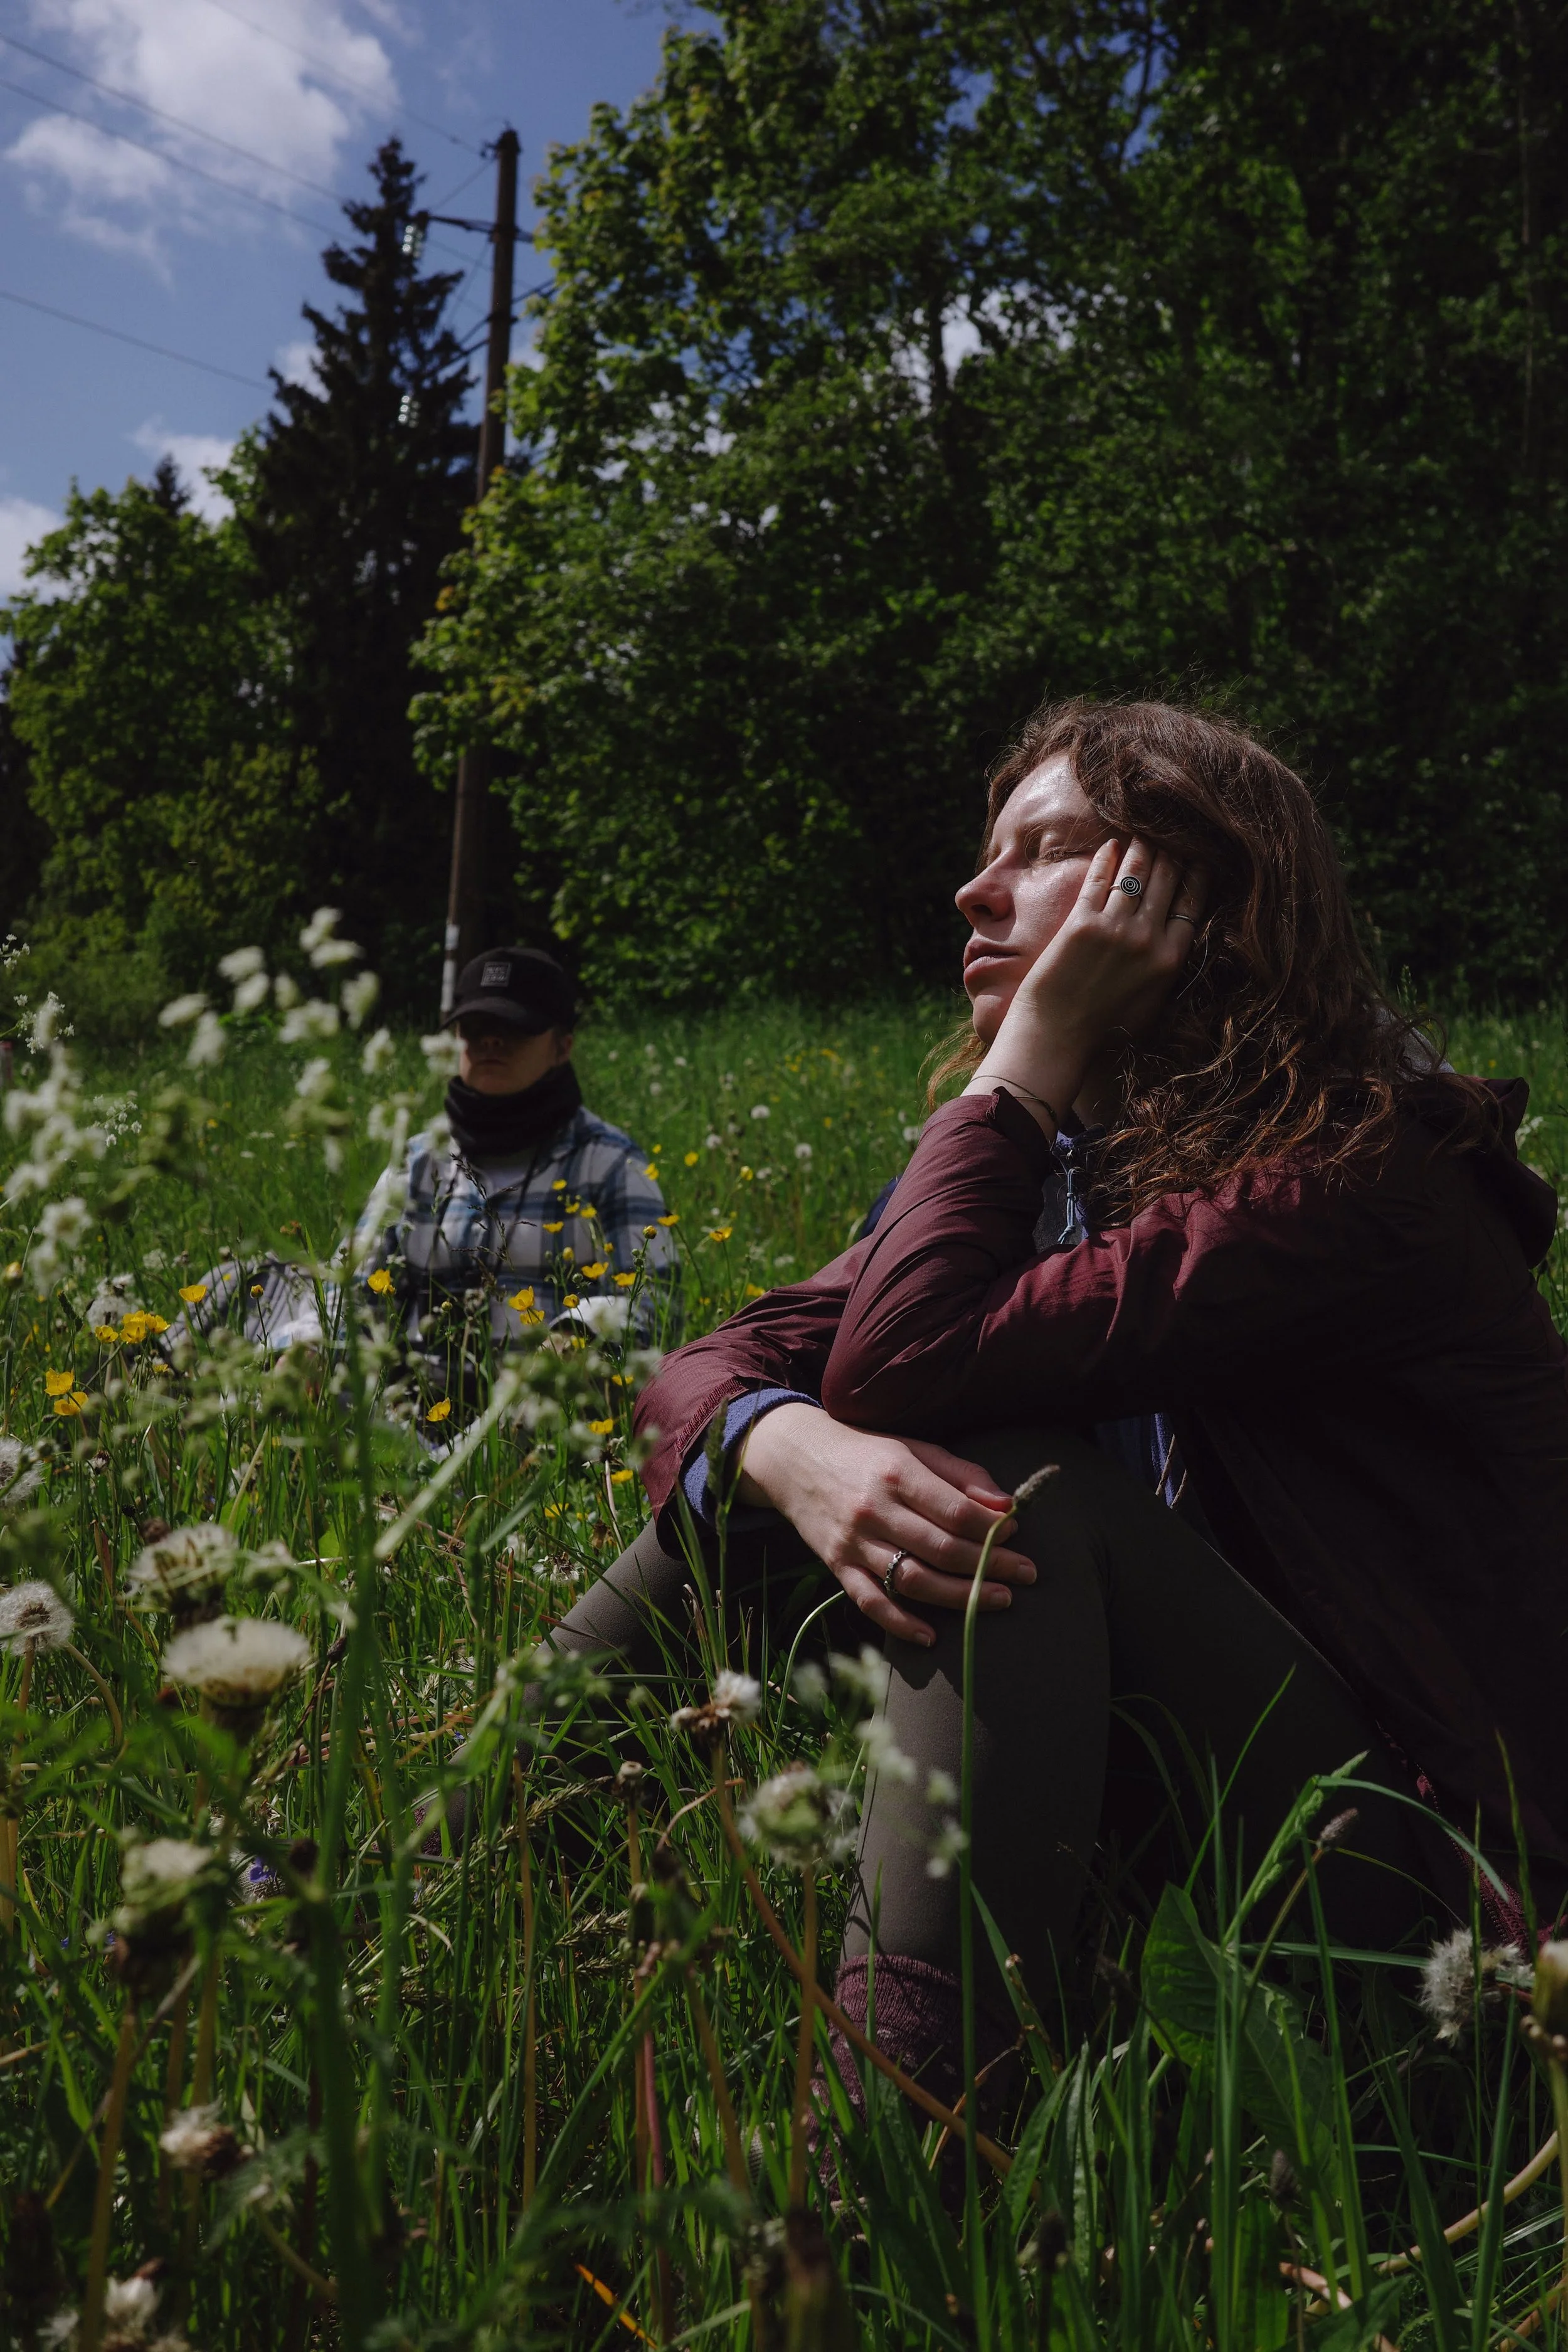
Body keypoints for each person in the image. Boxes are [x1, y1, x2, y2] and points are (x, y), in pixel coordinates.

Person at [549, 699, 1568, 2122]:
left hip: (1440, 1921)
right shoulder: (1069, 1167)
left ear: (1186, 897)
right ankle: (391, 1896)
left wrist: (1022, 1047)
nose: (974, 888)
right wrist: (787, 1444)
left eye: (1042, 848)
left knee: (1005, 1498)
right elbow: (693, 1376)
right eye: (988, 851)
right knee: (774, 1469)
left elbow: (906, 1357)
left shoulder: (1348, 1174)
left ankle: (882, 2194)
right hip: (1197, 1824)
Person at [356, 945, 678, 1401]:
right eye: (477, 1028)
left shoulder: (612, 1164)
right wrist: (308, 1349)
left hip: (554, 1417)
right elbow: (350, 1289)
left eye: (514, 1029)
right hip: (412, 1409)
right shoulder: (416, 1162)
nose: (492, 1041)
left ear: (561, 1047)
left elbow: (658, 1306)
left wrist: (574, 1338)